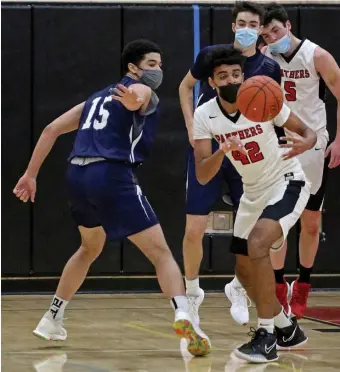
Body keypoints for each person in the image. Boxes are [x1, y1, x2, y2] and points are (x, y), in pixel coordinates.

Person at [13, 39, 210, 356]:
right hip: (110, 175)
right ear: (133, 68)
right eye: (151, 64)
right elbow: (139, 97)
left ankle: (52, 319)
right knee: (160, 252)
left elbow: (50, 129)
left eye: (160, 65)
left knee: (89, 247)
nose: (158, 70)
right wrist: (135, 99)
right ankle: (183, 313)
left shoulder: (94, 99)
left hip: (77, 175)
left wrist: (30, 174)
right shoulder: (143, 91)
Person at [194, 46, 314, 363]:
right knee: (245, 272)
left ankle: (266, 338)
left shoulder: (264, 98)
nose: (231, 79)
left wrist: (306, 141)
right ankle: (287, 329)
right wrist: (221, 151)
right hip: (252, 192)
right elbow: (203, 175)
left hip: (287, 181)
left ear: (244, 76)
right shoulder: (203, 115)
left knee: (259, 244)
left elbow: (308, 132)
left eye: (236, 73)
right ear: (211, 82)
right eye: (223, 76)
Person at [179, 0, 282, 327]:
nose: (248, 29)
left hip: (246, 156)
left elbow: (274, 115)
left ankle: (237, 286)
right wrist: (189, 126)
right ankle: (192, 293)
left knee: (252, 233)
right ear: (233, 26)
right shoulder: (211, 55)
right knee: (194, 228)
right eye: (242, 23)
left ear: (262, 30)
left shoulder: (269, 69)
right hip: (210, 148)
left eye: (254, 24)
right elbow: (184, 87)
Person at [261, 2, 340, 318]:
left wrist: (339, 139)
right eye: (266, 35)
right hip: (279, 144)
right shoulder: (265, 59)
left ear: (288, 25)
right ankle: (279, 285)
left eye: (275, 31)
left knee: (310, 222)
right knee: (280, 222)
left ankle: (303, 284)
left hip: (313, 144)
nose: (272, 38)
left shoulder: (317, 55)